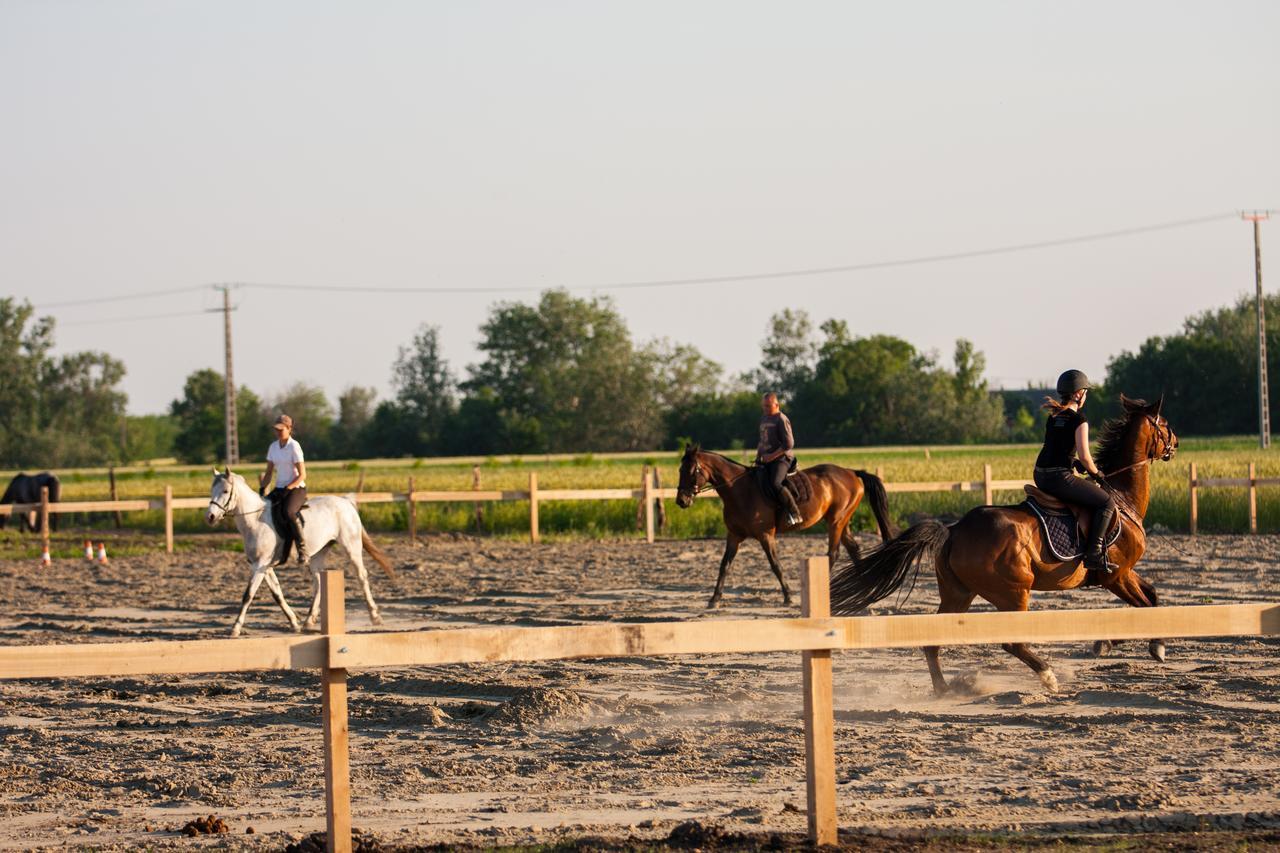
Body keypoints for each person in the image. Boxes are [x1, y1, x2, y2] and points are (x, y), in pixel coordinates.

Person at [1033, 370, 1115, 572]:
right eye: (1085, 392)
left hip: (1040, 474)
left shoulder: (1054, 416)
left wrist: (1073, 463)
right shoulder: (1079, 420)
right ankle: (1093, 553)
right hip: (1058, 477)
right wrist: (1098, 475)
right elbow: (1087, 457)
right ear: (1079, 394)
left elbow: (1057, 448)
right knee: (1106, 502)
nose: (1086, 396)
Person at [259, 413, 308, 565]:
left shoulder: (294, 447)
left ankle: (302, 548)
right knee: (263, 509)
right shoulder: (273, 447)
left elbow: (302, 475)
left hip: (296, 488)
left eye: (281, 429)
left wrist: (289, 488)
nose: (278, 432)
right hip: (279, 488)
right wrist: (262, 488)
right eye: (276, 429)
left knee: (289, 512)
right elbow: (268, 473)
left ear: (289, 428)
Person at [757, 392, 802, 525]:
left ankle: (795, 512)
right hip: (766, 459)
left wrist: (770, 456)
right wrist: (759, 456)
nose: (765, 409)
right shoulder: (764, 419)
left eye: (768, 406)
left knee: (775, 483)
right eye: (763, 406)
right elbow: (762, 441)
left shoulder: (781, 419)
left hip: (782, 459)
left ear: (777, 405)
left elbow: (789, 444)